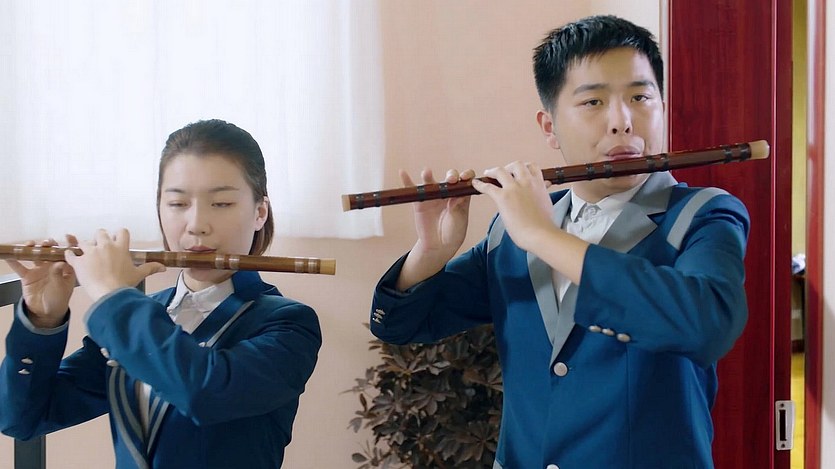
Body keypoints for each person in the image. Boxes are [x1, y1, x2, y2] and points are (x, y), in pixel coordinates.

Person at [369, 15, 749, 469]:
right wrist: (431, 253)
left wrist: (543, 236)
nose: (622, 122)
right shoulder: (512, 229)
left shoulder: (704, 214)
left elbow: (706, 325)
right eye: (593, 102)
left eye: (640, 97)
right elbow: (399, 326)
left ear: (662, 107)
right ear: (549, 127)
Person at [0, 119, 322, 468]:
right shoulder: (142, 314)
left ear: (260, 212)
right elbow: (22, 419)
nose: (196, 224)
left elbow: (203, 392)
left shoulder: (288, 324)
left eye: (221, 203)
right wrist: (42, 319)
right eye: (178, 203)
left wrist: (112, 293)